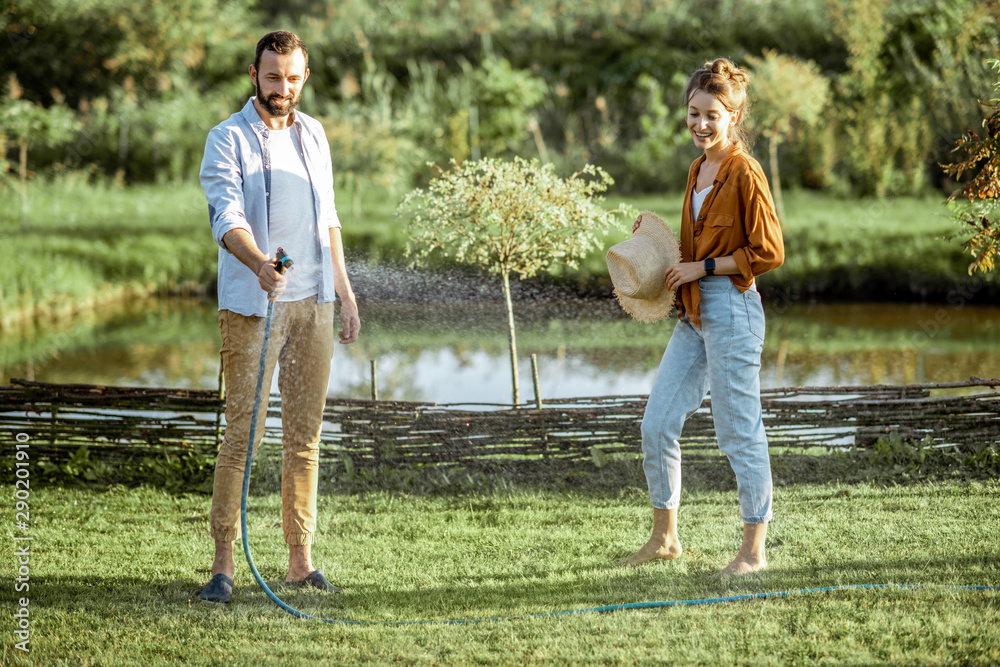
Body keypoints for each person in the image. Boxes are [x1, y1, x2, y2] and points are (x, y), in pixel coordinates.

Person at [197, 30, 361, 603]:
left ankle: (299, 561)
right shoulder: (227, 140)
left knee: (305, 438)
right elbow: (226, 218)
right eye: (273, 78)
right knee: (241, 437)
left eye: (292, 78)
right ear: (253, 75)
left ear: (304, 77)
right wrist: (261, 264)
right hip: (253, 308)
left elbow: (330, 219)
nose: (282, 89)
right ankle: (222, 567)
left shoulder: (314, 134)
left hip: (314, 306)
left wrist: (343, 288)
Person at [618, 58, 784, 575]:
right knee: (657, 422)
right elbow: (690, 249)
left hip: (732, 309)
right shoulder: (697, 169)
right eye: (694, 113)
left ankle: (753, 553)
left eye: (713, 114)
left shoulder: (745, 171)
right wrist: (658, 245)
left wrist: (701, 267)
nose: (701, 124)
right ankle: (665, 539)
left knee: (738, 431)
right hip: (693, 314)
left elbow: (769, 251)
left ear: (734, 116)